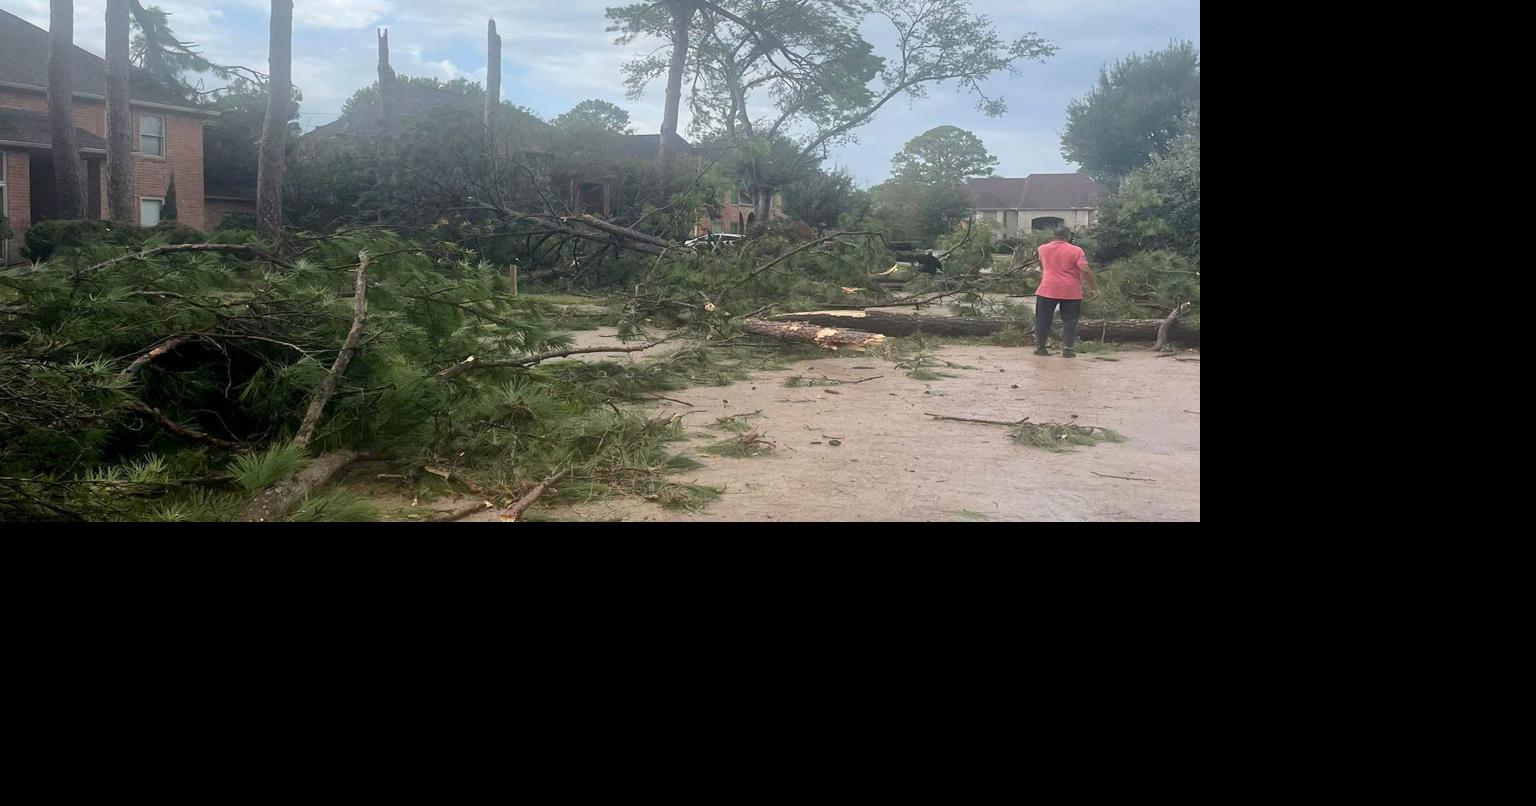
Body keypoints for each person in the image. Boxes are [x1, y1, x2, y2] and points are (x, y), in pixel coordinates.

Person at [1033, 227, 1099, 358]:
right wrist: (1093, 288)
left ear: (1054, 235)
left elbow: (1042, 265)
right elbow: (1085, 269)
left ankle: (1041, 348)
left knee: (1042, 319)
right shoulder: (1076, 250)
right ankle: (1068, 349)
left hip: (1047, 289)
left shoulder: (1042, 249)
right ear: (1068, 236)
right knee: (1070, 320)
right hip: (1070, 291)